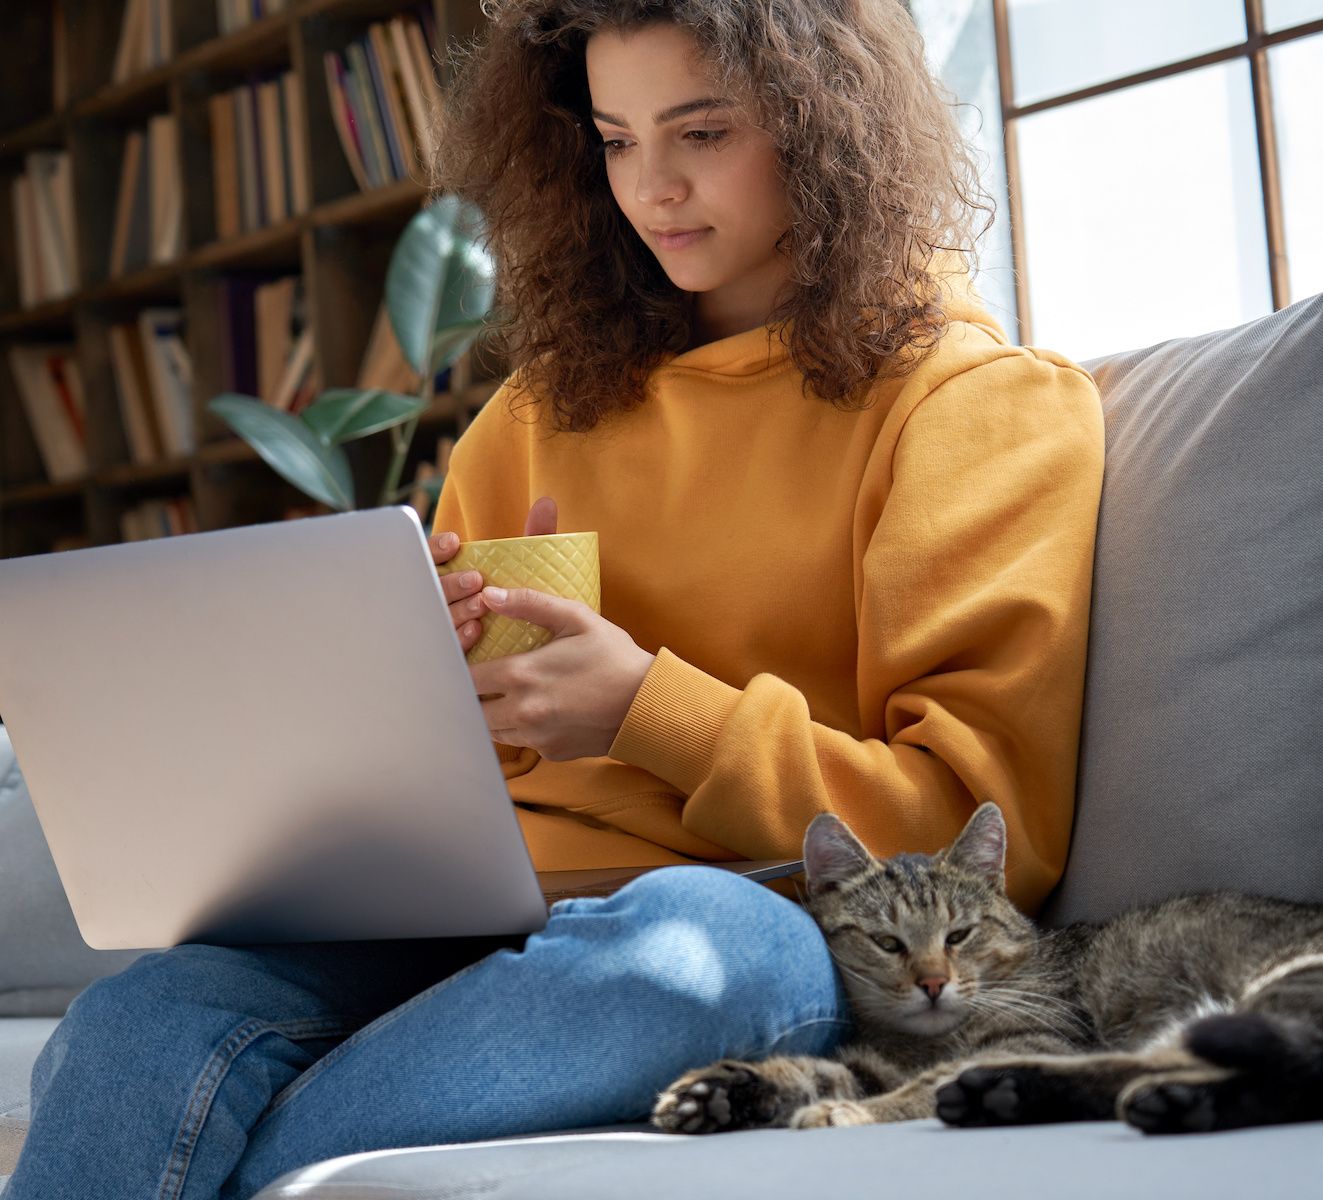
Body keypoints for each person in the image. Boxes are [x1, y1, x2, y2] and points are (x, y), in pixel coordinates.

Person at [4, 1, 1104, 1197]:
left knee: (700, 953)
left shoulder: (974, 404)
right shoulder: (543, 407)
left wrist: (646, 706)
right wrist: (422, 686)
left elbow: (980, 833)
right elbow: (485, 755)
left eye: (702, 132)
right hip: (459, 918)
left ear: (823, 127)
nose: (655, 190)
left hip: (743, 917)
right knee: (144, 1015)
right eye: (617, 141)